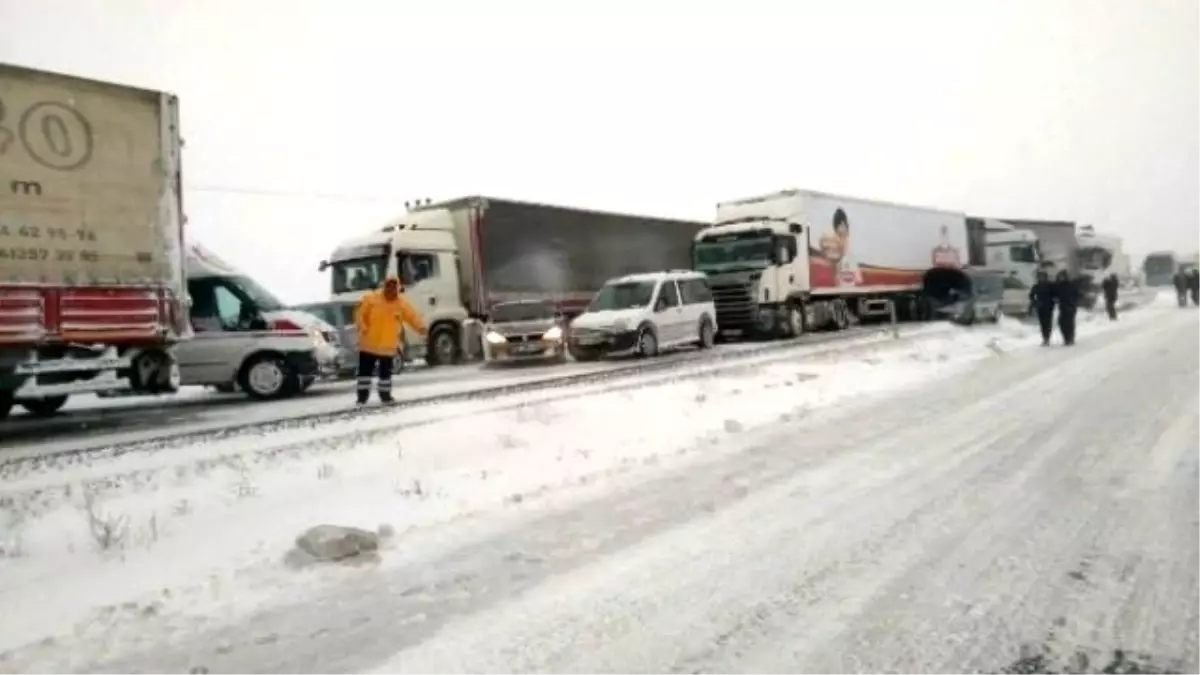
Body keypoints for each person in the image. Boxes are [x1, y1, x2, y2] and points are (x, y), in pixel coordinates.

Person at [354, 275, 427, 405]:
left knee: (385, 375)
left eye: (394, 288)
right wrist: (363, 328)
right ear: (384, 286)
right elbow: (360, 315)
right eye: (388, 287)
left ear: (397, 289)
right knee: (364, 374)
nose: (391, 290)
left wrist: (420, 327)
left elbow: (412, 316)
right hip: (368, 344)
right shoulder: (370, 299)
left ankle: (385, 396)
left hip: (387, 346)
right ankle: (362, 398)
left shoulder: (401, 304)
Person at [1029, 269, 1056, 346]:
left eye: (1042, 276)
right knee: (1042, 323)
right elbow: (1031, 295)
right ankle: (1045, 338)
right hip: (1040, 306)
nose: (1041, 278)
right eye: (1039, 277)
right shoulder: (1036, 286)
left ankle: (1047, 337)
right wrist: (1035, 302)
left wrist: (1053, 301)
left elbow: (1055, 294)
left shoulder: (1050, 285)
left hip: (1049, 306)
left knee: (1048, 322)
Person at [1053, 269, 1080, 346]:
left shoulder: (1071, 285)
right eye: (1060, 277)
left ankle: (1070, 338)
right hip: (1062, 306)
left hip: (1071, 306)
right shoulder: (1058, 286)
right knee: (1062, 322)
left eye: (1063, 277)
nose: (1061, 278)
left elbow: (1077, 295)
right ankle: (1066, 338)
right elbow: (1054, 293)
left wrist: (1073, 301)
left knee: (1069, 323)